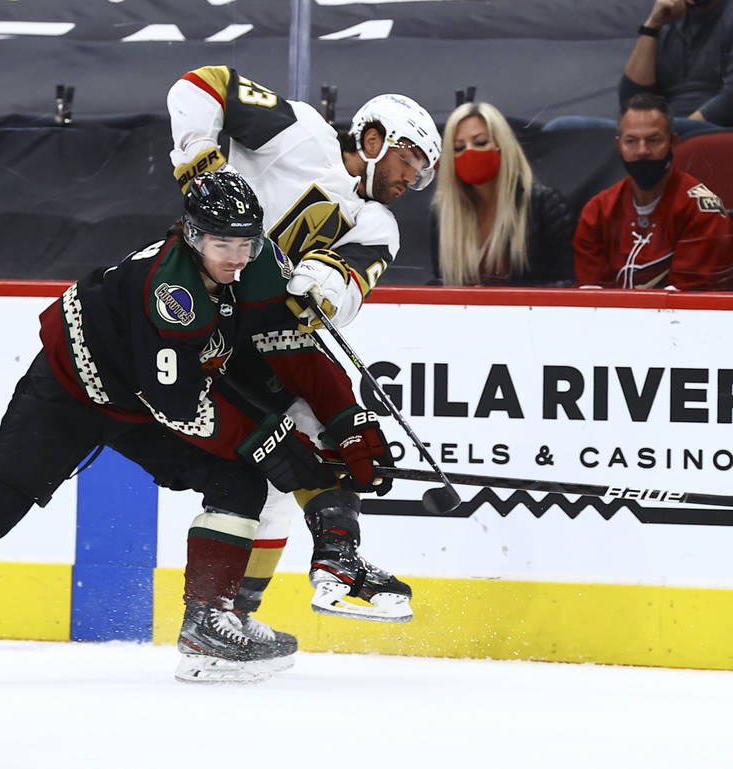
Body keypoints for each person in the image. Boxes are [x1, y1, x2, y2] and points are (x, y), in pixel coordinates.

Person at [0, 172, 384, 683]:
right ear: (192, 236)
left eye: (244, 242)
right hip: (70, 393)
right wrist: (268, 440)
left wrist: (349, 420)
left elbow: (293, 350)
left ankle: (208, 625)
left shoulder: (260, 262)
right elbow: (181, 406)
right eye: (220, 243)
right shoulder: (173, 291)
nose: (235, 256)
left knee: (239, 477)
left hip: (141, 400)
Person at [166, 66, 436, 632]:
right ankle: (222, 613)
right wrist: (199, 154)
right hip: (185, 307)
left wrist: (323, 287)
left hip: (255, 343)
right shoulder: (302, 132)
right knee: (269, 467)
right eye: (409, 157)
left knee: (302, 465)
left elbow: (349, 287)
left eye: (422, 169)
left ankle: (239, 613)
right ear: (372, 137)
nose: (413, 175)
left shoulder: (376, 223)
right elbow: (202, 83)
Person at [574, 92, 733, 289]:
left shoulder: (701, 211)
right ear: (619, 146)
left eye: (653, 140)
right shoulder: (597, 211)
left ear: (673, 143)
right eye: (631, 141)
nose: (642, 150)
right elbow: (591, 301)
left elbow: (687, 305)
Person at [430, 101, 576, 286]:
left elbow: (567, 285)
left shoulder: (544, 204)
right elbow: (441, 282)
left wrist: (502, 300)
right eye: (459, 148)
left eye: (480, 142)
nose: (470, 153)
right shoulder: (444, 212)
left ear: (503, 145)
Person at [623, 0, 733, 131]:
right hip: (661, 133)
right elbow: (632, 102)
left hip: (713, 135)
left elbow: (729, 101)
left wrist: (669, 134)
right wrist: (652, 26)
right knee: (596, 130)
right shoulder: (668, 20)